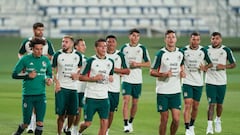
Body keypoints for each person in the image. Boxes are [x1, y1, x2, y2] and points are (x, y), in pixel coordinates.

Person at [17, 22, 55, 133]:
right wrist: (22, 64)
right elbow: (20, 53)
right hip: (30, 74)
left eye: (42, 30)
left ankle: (32, 124)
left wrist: (47, 61)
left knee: (38, 99)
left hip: (41, 74)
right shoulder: (27, 42)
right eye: (39, 30)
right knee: (31, 98)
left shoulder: (47, 43)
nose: (41, 32)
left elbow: (52, 56)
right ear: (34, 30)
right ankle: (30, 124)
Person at [150, 29, 185, 135]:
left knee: (176, 119)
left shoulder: (180, 53)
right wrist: (163, 75)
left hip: (176, 91)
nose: (171, 39)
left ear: (176, 39)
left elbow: (181, 65)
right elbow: (151, 71)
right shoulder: (161, 53)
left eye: (173, 37)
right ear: (165, 39)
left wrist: (182, 72)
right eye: (169, 37)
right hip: (163, 91)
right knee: (164, 119)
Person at [78, 38, 114, 135]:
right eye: (101, 47)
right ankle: (79, 131)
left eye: (105, 46)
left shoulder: (110, 62)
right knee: (87, 123)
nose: (104, 48)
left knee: (104, 122)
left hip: (104, 97)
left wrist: (111, 78)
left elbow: (110, 74)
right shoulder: (91, 61)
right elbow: (80, 77)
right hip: (91, 97)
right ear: (96, 48)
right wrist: (93, 79)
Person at [181, 32, 213, 135]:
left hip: (198, 83)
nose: (195, 42)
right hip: (187, 82)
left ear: (200, 40)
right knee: (187, 105)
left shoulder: (203, 50)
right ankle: (187, 129)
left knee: (195, 106)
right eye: (193, 39)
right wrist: (181, 71)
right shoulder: (183, 50)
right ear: (190, 39)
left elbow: (211, 63)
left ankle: (192, 125)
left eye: (197, 40)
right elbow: (179, 63)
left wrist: (205, 68)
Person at [120, 28, 151, 133]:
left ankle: (130, 122)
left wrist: (137, 64)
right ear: (129, 36)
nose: (135, 38)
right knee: (125, 101)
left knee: (135, 103)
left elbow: (148, 63)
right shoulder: (124, 48)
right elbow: (118, 61)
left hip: (137, 80)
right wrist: (121, 71)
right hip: (126, 79)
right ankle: (125, 124)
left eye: (137, 36)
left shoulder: (142, 48)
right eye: (133, 35)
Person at [205, 32, 236, 134]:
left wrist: (224, 66)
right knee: (211, 104)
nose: (215, 40)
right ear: (211, 40)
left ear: (220, 40)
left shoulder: (226, 50)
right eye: (213, 38)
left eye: (217, 38)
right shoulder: (206, 49)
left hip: (221, 81)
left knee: (219, 104)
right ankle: (209, 126)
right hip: (209, 81)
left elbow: (233, 64)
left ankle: (218, 119)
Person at [52, 35, 83, 135]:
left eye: (66, 42)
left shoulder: (78, 55)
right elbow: (52, 71)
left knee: (73, 114)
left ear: (72, 44)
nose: (63, 44)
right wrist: (56, 83)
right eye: (63, 41)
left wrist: (77, 75)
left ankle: (68, 128)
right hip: (61, 88)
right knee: (61, 114)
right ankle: (59, 133)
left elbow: (80, 67)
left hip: (73, 88)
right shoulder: (57, 55)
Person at [106, 35, 130, 135]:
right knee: (102, 112)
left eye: (113, 42)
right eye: (109, 42)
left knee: (111, 112)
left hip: (114, 89)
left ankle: (106, 130)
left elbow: (127, 71)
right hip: (101, 88)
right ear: (105, 43)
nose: (111, 43)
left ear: (116, 43)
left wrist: (114, 69)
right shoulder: (102, 54)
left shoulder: (120, 55)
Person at [70, 38, 88, 135]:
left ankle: (74, 130)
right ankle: (67, 127)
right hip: (72, 87)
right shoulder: (71, 57)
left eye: (84, 45)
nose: (85, 47)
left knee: (79, 109)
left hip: (82, 88)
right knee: (71, 111)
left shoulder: (85, 59)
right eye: (82, 45)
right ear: (76, 46)